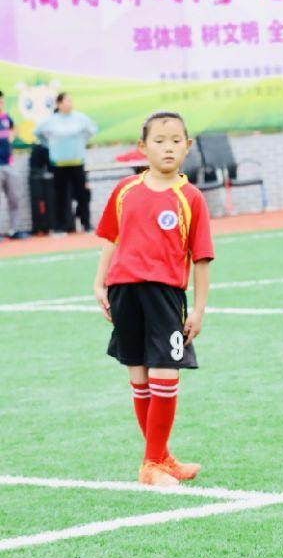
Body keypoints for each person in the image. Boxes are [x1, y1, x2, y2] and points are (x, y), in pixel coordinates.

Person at [92, 111, 214, 487]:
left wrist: (198, 309)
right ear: (142, 147)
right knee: (140, 375)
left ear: (187, 147)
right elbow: (111, 240)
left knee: (165, 371)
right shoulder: (125, 190)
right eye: (159, 141)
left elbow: (201, 257)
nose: (168, 148)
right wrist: (99, 283)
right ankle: (157, 461)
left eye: (176, 141)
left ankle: (154, 461)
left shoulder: (190, 198)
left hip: (165, 294)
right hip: (123, 290)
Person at [33, 92, 96, 235]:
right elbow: (37, 132)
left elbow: (92, 130)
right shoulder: (51, 120)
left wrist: (81, 142)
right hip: (59, 164)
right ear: (59, 104)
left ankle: (86, 224)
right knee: (60, 196)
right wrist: (49, 145)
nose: (70, 104)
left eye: (71, 101)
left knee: (82, 194)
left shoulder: (80, 118)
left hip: (77, 162)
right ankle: (59, 227)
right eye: (67, 101)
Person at [0, 90, 28, 241]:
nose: (1, 104)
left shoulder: (6, 118)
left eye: (2, 102)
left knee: (14, 198)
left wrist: (11, 136)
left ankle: (14, 230)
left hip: (9, 164)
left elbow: (13, 128)